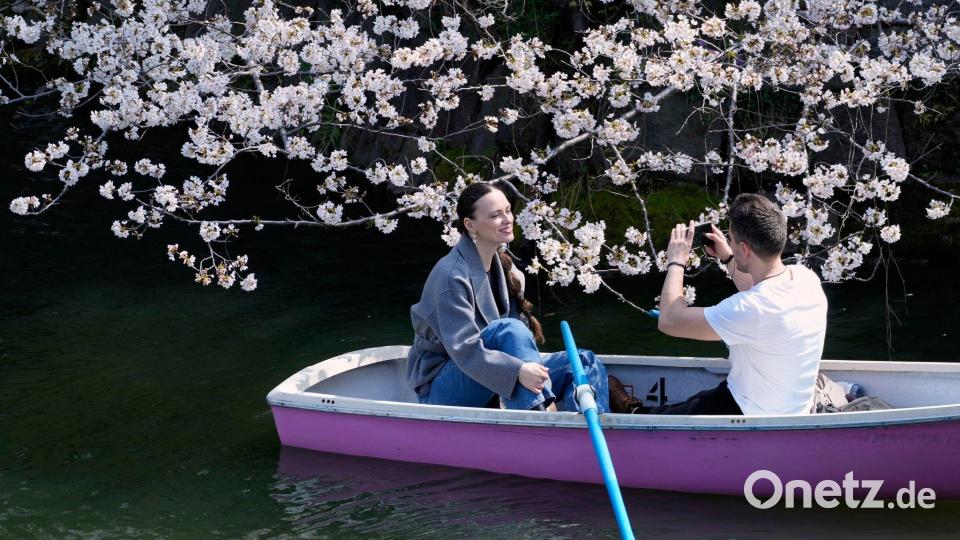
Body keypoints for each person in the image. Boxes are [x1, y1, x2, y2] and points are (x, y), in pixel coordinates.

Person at [406, 182, 610, 412]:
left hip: (492, 375)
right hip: (445, 387)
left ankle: (584, 428)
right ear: (470, 224)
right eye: (495, 215)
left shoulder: (507, 269)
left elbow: (518, 345)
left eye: (508, 211)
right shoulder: (451, 276)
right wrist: (517, 371)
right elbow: (465, 350)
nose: (507, 219)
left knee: (583, 362)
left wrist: (524, 370)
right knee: (509, 329)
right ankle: (543, 420)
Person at [626, 193, 828, 415]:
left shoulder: (749, 309)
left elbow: (669, 320)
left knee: (656, 416)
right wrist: (729, 258)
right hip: (791, 407)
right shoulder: (806, 279)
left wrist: (676, 260)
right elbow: (759, 292)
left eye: (731, 239)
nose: (728, 243)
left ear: (745, 249)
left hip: (751, 411)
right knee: (700, 399)